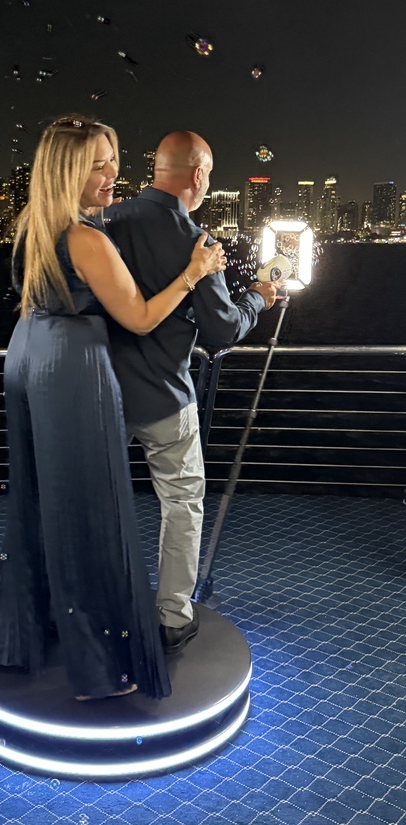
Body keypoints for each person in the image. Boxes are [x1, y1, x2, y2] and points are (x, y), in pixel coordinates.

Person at [0, 116, 226, 701]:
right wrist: (193, 273)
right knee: (95, 512)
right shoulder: (86, 238)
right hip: (74, 371)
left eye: (113, 159)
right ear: (67, 172)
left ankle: (44, 620)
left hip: (31, 356)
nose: (113, 172)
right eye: (98, 164)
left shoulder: (32, 227)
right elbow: (139, 317)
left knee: (50, 498)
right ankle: (99, 661)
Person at [104, 130, 279, 655]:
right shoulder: (195, 240)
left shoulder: (104, 220)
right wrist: (258, 299)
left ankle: (86, 605)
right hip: (165, 395)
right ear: (199, 175)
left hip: (101, 392)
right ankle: (173, 617)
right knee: (181, 503)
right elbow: (222, 328)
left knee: (94, 501)